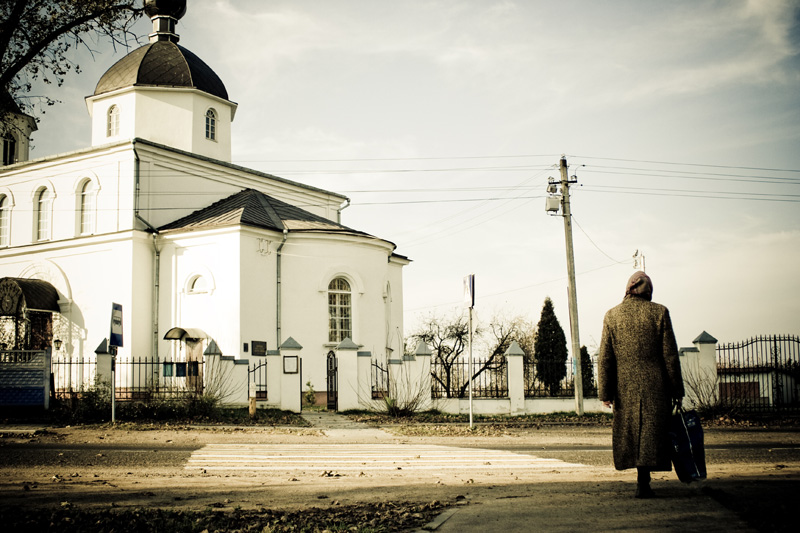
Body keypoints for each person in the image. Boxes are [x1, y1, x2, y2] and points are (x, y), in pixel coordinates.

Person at [598, 271, 684, 499]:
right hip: (656, 385)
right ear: (649, 291)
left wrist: (605, 392)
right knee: (650, 434)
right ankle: (643, 482)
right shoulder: (659, 312)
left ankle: (641, 481)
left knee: (631, 433)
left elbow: (605, 357)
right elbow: (670, 356)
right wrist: (677, 389)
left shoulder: (612, 315)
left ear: (628, 289)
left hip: (624, 386)